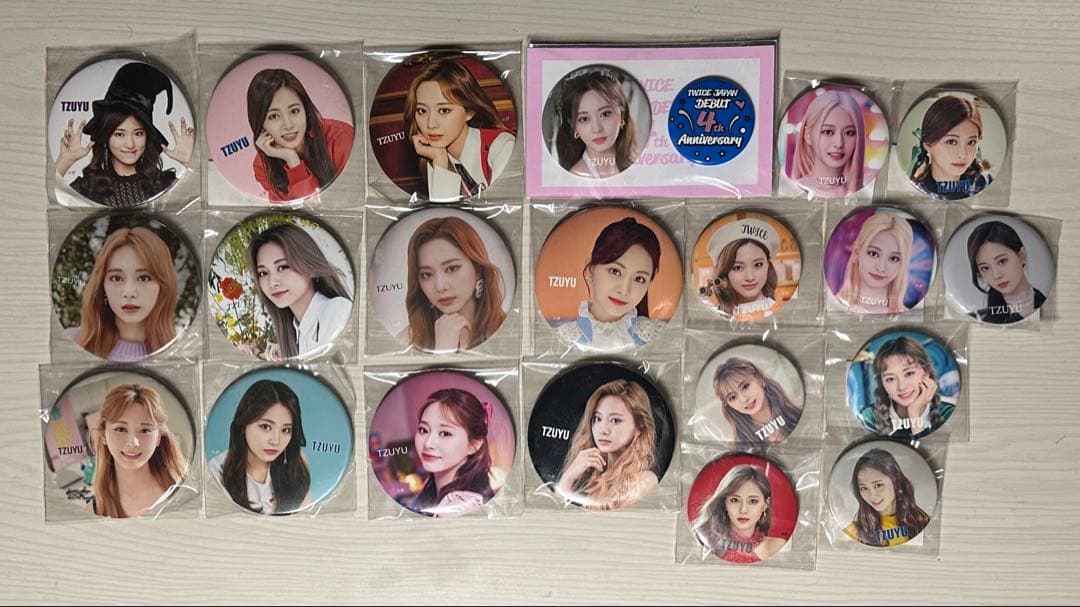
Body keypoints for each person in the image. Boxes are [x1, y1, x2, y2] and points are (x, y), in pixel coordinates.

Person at [54, 62, 194, 207]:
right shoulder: (88, 187)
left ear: (147, 136)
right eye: (119, 134)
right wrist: (66, 160)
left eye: (138, 133)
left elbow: (195, 201)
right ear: (106, 136)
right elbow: (51, 196)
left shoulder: (165, 183)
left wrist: (188, 160)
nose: (130, 144)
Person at [403, 55, 515, 201]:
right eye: (422, 111)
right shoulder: (435, 155)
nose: (431, 124)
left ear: (469, 112)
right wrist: (440, 160)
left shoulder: (502, 147)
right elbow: (443, 213)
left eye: (444, 110)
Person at [65, 226, 178, 362]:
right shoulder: (71, 342)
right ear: (102, 286)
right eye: (116, 278)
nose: (129, 293)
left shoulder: (179, 355)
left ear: (163, 286)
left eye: (144, 278)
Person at [556, 217, 667, 351]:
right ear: (591, 269)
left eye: (639, 279)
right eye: (615, 271)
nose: (624, 290)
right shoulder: (560, 338)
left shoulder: (661, 336)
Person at [246, 222, 353, 360]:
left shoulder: (336, 311)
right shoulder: (296, 333)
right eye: (263, 273)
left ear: (311, 267)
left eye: (282, 267)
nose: (272, 283)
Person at [247, 68, 354, 202]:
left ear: (305, 109)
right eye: (273, 116)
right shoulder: (263, 165)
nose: (288, 125)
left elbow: (348, 200)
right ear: (260, 123)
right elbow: (301, 209)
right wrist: (292, 160)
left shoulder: (341, 138)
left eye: (294, 111)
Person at [403, 216, 507, 353]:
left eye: (452, 268)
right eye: (426, 274)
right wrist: (442, 350)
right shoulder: (409, 340)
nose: (440, 286)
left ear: (477, 269)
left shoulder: (507, 330)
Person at [208, 379, 311, 515]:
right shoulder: (216, 472)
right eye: (265, 427)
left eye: (285, 430)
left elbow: (304, 516)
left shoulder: (296, 465)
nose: (276, 441)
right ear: (243, 425)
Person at [87, 384, 188, 518]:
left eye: (145, 430)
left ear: (158, 437)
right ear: (103, 435)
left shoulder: (183, 494)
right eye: (121, 429)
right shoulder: (94, 511)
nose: (133, 443)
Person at [556, 379, 659, 510]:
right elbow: (554, 512)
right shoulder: (590, 475)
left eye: (615, 420)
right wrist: (568, 477)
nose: (603, 430)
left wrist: (566, 482)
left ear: (639, 427)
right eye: (597, 418)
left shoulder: (644, 480)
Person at [410, 388, 496, 517]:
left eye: (445, 433)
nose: (428, 443)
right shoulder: (436, 493)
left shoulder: (455, 509)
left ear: (474, 444)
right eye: (423, 430)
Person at [690, 465, 787, 564]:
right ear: (724, 503)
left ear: (765, 504)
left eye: (753, 501)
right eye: (735, 500)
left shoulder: (775, 545)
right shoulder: (706, 541)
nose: (743, 510)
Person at [864, 336, 956, 439]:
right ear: (882, 383)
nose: (901, 387)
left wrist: (914, 414)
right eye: (890, 379)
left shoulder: (948, 412)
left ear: (926, 372)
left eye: (909, 374)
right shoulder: (869, 417)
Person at [553, 69, 639, 179]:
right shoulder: (576, 180)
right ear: (573, 126)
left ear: (622, 115)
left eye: (605, 114)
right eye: (584, 119)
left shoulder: (634, 165)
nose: (597, 128)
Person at [908, 95, 992, 200]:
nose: (962, 155)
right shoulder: (914, 191)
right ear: (928, 144)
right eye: (951, 142)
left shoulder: (986, 182)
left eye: (971, 142)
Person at [844, 448, 931, 547]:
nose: (872, 495)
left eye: (878, 485)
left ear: (896, 480)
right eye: (864, 488)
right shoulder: (853, 533)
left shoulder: (922, 520)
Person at [789, 89, 866, 197]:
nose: (839, 143)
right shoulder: (796, 191)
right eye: (828, 132)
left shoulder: (863, 194)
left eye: (849, 133)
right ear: (808, 135)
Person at [966, 220, 1044, 324]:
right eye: (985, 268)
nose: (997, 275)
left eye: (1002, 261)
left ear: (1022, 256)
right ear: (979, 274)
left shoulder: (1047, 306)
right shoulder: (977, 320)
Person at [712, 357, 802, 447]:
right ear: (729, 405)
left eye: (745, 386)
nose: (744, 399)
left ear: (759, 378)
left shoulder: (799, 415)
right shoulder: (741, 447)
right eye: (732, 397)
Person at [837, 211, 913, 315]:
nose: (881, 268)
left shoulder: (909, 315)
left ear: (904, 263)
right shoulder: (831, 305)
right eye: (873, 253)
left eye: (894, 258)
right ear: (856, 252)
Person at [701, 221, 780, 321]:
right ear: (724, 272)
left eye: (758, 264)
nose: (750, 277)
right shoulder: (716, 315)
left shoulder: (779, 308)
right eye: (738, 268)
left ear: (768, 265)